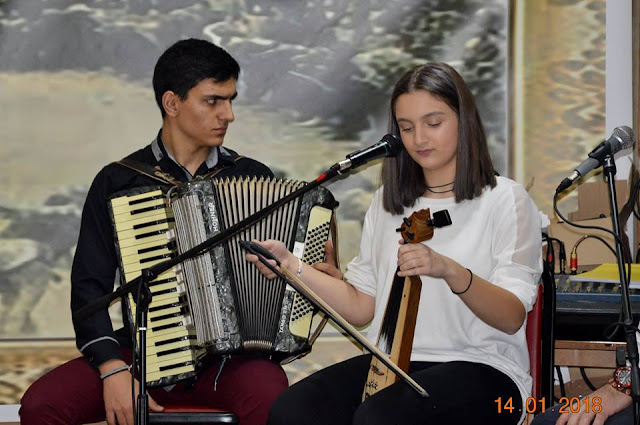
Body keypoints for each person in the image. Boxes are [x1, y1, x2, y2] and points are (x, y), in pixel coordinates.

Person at [246, 62, 543, 425]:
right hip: (390, 364)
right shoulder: (389, 201)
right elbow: (361, 307)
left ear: (463, 121)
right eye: (406, 127)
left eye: (433, 123)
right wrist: (292, 267)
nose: (419, 139)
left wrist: (450, 271)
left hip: (483, 368)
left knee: (380, 419)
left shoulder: (504, 199)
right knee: (293, 411)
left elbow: (512, 317)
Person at [20, 38, 288, 425]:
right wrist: (112, 368)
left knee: (273, 403)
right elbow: (89, 288)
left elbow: (278, 280)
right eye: (213, 100)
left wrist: (306, 269)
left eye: (231, 100)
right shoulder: (119, 181)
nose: (228, 114)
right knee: (41, 406)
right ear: (172, 103)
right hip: (141, 353)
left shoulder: (253, 179)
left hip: (229, 361)